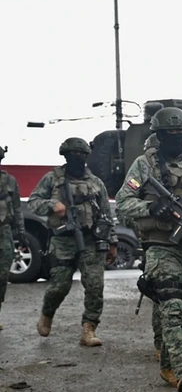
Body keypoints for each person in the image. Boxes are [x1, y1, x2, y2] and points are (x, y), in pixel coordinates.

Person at [115, 107, 182, 392]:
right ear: (158, 136)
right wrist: (150, 208)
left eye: (180, 133)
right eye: (168, 134)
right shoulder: (143, 165)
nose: (175, 138)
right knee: (171, 304)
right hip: (161, 245)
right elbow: (123, 203)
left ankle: (166, 359)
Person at [28, 138, 117, 346]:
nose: (77, 158)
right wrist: (52, 204)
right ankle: (47, 313)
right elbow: (33, 203)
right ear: (65, 156)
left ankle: (89, 329)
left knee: (95, 286)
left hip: (91, 240)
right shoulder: (52, 178)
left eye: (81, 155)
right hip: (63, 241)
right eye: (72, 155)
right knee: (60, 286)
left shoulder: (96, 182)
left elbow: (106, 214)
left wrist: (112, 242)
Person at [0, 145, 28, 331]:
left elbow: (17, 209)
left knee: (2, 275)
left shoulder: (9, 181)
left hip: (4, 231)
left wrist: (21, 234)